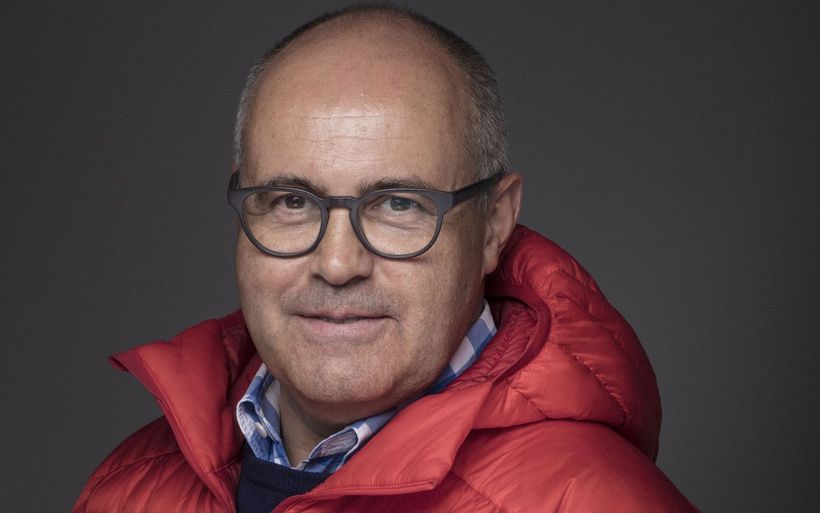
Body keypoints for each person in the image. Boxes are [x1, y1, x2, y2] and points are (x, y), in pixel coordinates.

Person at [73, 5, 699, 513]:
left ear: (494, 225)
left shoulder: (597, 501)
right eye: (292, 201)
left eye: (398, 204)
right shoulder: (125, 489)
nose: (337, 263)